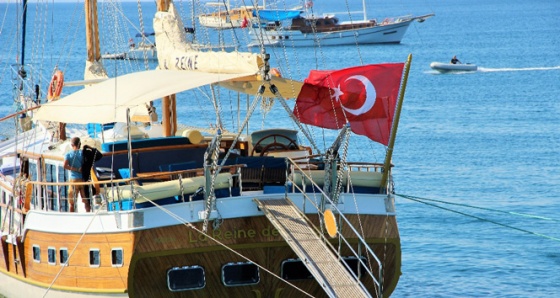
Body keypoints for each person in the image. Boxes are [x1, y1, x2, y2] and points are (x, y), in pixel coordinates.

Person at [64, 137, 88, 212]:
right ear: (80, 144)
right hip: (83, 179)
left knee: (72, 203)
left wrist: (76, 169)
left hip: (74, 180)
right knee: (86, 202)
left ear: (72, 145)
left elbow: (65, 166)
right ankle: (88, 214)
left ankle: (72, 218)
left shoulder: (69, 154)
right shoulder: (83, 154)